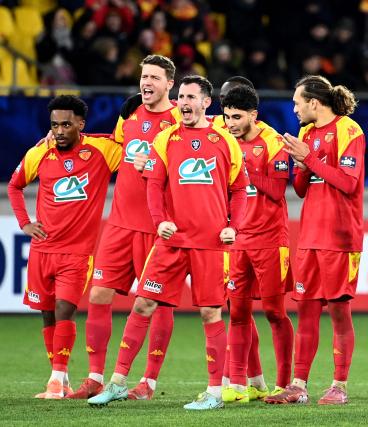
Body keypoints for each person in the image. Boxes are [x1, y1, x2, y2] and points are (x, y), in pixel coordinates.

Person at [87, 75, 248, 410]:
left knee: (210, 313)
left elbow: (239, 189)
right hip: (172, 242)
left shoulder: (224, 140)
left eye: (191, 97)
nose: (184, 103)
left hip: (210, 244)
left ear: (207, 102)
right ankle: (117, 382)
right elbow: (154, 185)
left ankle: (215, 391)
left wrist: (235, 225)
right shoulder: (166, 138)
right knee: (143, 304)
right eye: (181, 97)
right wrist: (161, 221)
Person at [67, 55, 181, 400]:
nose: (146, 83)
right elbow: (116, 147)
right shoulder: (129, 111)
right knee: (99, 295)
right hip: (119, 222)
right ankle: (95, 376)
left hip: (156, 226)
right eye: (143, 76)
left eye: (154, 78)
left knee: (157, 303)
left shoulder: (179, 119)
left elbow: (186, 173)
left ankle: (148, 382)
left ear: (169, 84)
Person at [8, 95, 121, 399]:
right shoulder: (39, 153)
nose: (59, 131)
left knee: (63, 310)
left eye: (66, 124)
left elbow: (134, 143)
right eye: (55, 125)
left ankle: (56, 380)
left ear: (81, 124)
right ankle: (61, 377)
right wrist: (24, 223)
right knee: (47, 313)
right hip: (42, 250)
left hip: (77, 252)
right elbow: (15, 185)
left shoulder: (101, 150)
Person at [265, 75, 364, 405]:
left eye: (297, 102)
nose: (293, 108)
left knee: (338, 312)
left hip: (340, 236)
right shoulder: (307, 134)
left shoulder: (350, 131)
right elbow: (303, 189)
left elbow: (348, 184)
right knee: (305, 311)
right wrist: (302, 165)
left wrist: (309, 159)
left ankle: (339, 385)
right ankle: (299, 384)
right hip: (309, 235)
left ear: (314, 103)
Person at [221, 85, 295, 402]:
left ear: (254, 114)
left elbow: (278, 192)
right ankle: (240, 384)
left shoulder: (273, 143)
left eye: (237, 117)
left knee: (275, 313)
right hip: (238, 239)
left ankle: (283, 383)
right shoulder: (225, 141)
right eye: (226, 117)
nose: (230, 124)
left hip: (269, 239)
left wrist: (245, 167)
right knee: (236, 312)